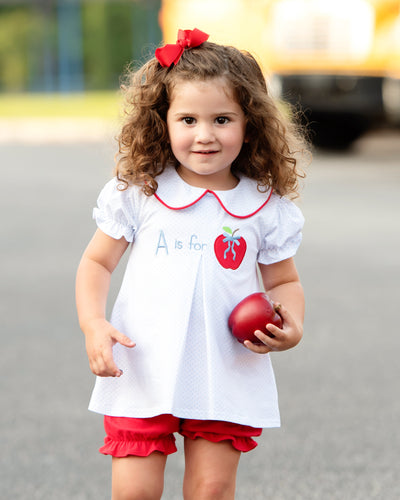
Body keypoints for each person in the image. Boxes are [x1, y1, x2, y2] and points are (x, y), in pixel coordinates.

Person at [76, 28, 309, 500]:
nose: (204, 135)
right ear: (162, 122)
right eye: (187, 119)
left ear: (251, 124)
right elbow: (97, 263)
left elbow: (284, 279)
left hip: (225, 365)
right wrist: (93, 324)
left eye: (222, 119)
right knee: (135, 492)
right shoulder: (141, 193)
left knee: (212, 490)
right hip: (142, 364)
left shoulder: (264, 207)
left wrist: (293, 324)